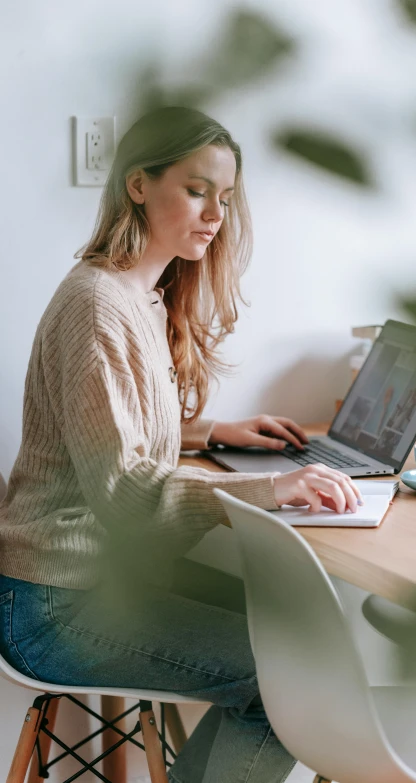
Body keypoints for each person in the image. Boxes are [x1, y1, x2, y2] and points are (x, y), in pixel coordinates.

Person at [0, 106, 362, 782]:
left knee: (287, 616)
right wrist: (268, 486)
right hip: (55, 603)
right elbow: (128, 493)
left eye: (224, 198)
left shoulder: (140, 296)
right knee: (290, 675)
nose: (215, 214)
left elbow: (104, 425)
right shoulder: (96, 305)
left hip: (100, 582)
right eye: (197, 190)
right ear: (138, 184)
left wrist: (210, 432)